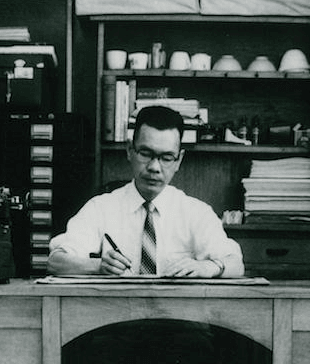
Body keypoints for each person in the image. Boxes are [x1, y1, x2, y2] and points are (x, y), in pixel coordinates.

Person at [48, 105, 244, 277]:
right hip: (115, 316)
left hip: (177, 316)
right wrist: (98, 265)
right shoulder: (100, 208)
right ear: (129, 151)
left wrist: (209, 267)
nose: (154, 167)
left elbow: (236, 264)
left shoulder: (196, 213)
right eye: (146, 154)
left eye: (166, 158)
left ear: (179, 160)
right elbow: (56, 261)